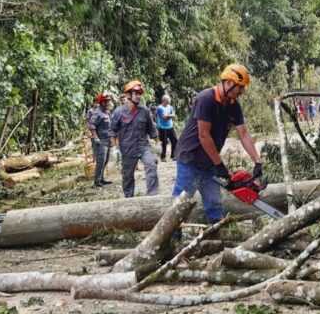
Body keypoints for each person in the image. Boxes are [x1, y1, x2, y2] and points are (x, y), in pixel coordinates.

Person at [173, 64, 262, 224]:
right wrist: (219, 165)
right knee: (181, 203)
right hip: (190, 158)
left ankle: (217, 234)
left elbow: (243, 133)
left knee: (214, 204)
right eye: (239, 87)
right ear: (228, 83)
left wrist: (257, 161)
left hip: (209, 162)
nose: (241, 92)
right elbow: (204, 135)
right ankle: (172, 238)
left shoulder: (233, 105)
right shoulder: (206, 98)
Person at [110, 79, 159, 198]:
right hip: (127, 149)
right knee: (127, 176)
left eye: (139, 94)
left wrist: (157, 146)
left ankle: (153, 196)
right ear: (128, 95)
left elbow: (152, 130)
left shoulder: (145, 111)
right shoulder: (119, 112)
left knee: (151, 165)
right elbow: (112, 131)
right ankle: (129, 198)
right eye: (135, 93)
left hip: (143, 146)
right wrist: (115, 149)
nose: (138, 96)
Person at [88, 93, 112, 188]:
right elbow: (92, 126)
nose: (108, 103)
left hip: (107, 140)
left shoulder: (106, 112)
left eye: (109, 101)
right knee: (101, 161)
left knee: (106, 160)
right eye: (106, 101)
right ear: (102, 102)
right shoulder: (97, 113)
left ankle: (101, 179)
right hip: (100, 141)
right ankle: (96, 181)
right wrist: (96, 137)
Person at [156, 94, 178, 161]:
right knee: (164, 143)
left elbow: (173, 115)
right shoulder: (159, 108)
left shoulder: (170, 107)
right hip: (162, 127)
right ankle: (163, 157)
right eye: (168, 100)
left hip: (170, 127)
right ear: (164, 100)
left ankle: (173, 155)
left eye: (169, 100)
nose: (169, 101)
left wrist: (169, 115)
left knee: (175, 140)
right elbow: (164, 118)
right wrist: (170, 116)